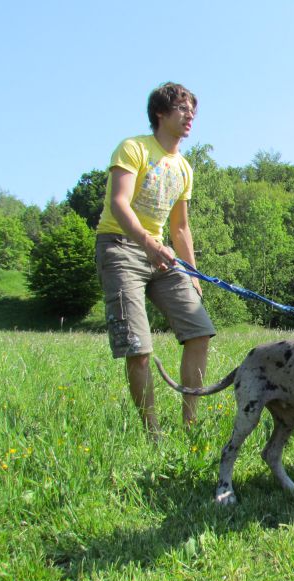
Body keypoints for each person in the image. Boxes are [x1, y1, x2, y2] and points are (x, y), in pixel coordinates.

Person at [94, 82, 215, 437]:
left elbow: (180, 228)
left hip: (163, 255)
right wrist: (147, 243)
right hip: (120, 247)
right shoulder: (133, 148)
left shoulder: (184, 168)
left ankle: (190, 424)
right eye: (182, 108)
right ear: (160, 113)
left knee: (200, 333)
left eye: (192, 109)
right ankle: (152, 433)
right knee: (138, 346)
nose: (190, 115)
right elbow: (119, 202)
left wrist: (193, 276)